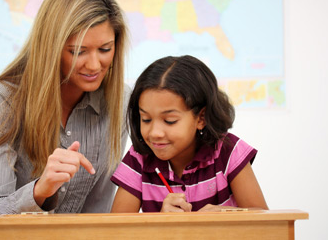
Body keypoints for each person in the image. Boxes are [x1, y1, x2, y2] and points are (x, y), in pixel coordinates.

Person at [0, 0, 129, 239]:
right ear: (51, 47)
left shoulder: (120, 102)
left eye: (105, 49)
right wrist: (40, 189)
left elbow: (97, 212)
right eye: (78, 51)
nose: (95, 65)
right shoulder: (3, 99)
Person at [110, 55, 268, 213]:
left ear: (201, 118)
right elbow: (115, 232)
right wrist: (161, 224)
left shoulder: (229, 152)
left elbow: (265, 222)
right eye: (146, 119)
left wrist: (223, 218)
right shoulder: (138, 159)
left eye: (170, 121)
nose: (155, 133)